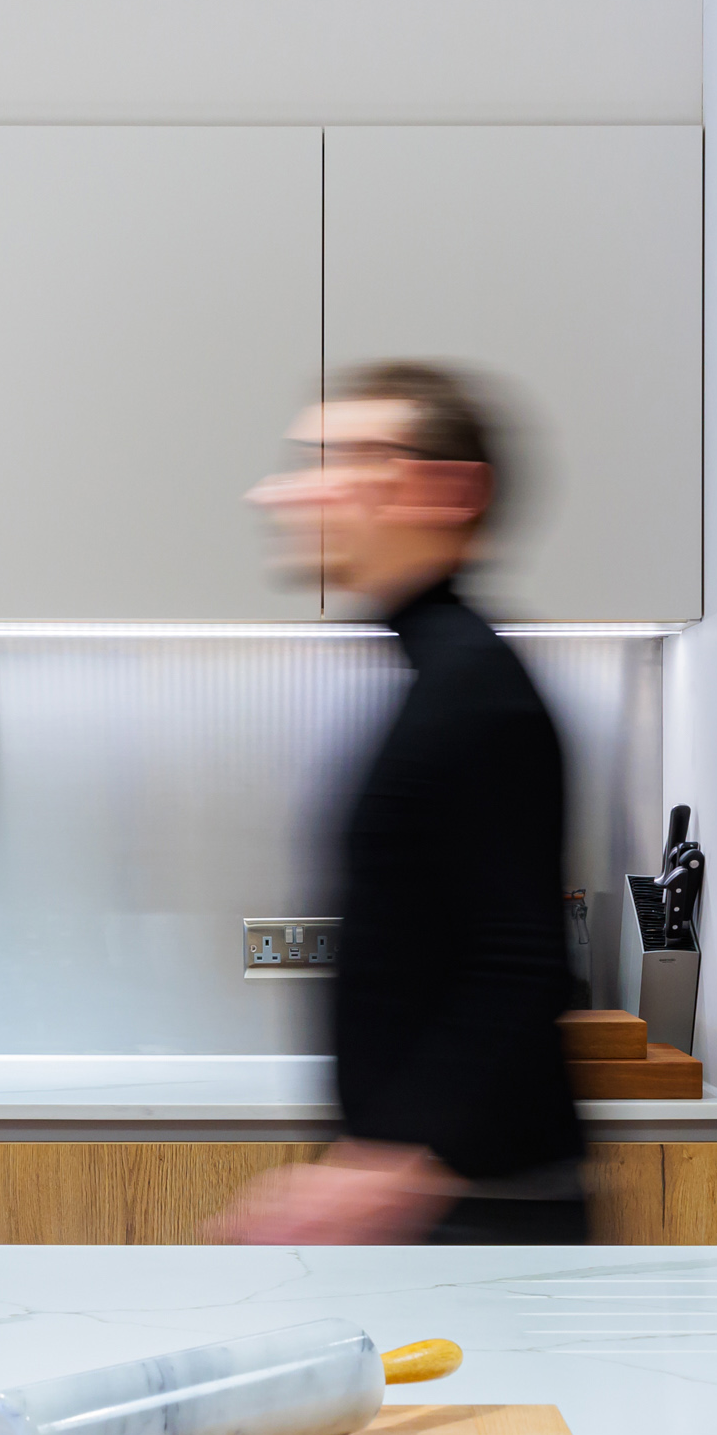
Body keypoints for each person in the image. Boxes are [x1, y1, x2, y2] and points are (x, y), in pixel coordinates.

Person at [210, 360, 587, 1247]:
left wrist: (393, 1166)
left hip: (487, 1219)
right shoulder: (440, 673)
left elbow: (521, 960)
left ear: (448, 491)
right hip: (447, 1206)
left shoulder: (476, 691)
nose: (280, 492)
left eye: (339, 460)